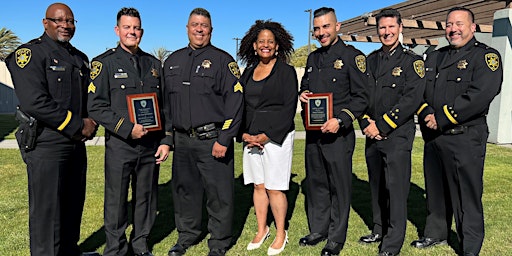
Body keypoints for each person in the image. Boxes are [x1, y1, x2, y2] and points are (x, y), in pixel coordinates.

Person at [5, 3, 97, 255]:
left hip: (75, 144)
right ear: (45, 23)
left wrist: (93, 121)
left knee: (72, 203)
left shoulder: (79, 58)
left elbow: (87, 99)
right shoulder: (30, 55)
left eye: (70, 21)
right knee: (47, 211)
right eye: (59, 20)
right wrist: (79, 125)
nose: (65, 25)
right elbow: (35, 102)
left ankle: (69, 250)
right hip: (47, 143)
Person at [414, 7, 502, 256]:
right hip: (435, 138)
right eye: (449, 24)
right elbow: (420, 91)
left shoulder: (486, 57)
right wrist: (426, 114)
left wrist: (440, 117)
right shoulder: (434, 57)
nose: (453, 29)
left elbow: (480, 95)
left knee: (466, 195)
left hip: (465, 137)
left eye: (460, 24)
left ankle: (470, 246)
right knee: (436, 190)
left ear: (473, 27)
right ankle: (435, 233)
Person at [87, 7, 171, 256]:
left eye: (136, 28)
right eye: (127, 27)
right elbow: (95, 106)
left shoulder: (154, 64)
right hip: (121, 145)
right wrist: (127, 128)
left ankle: (140, 244)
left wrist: (166, 139)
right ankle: (115, 248)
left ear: (141, 32)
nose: (132, 32)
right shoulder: (103, 63)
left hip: (150, 145)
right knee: (116, 199)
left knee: (146, 198)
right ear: (117, 30)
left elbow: (164, 105)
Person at [163, 8, 243, 256]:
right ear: (187, 28)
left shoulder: (223, 61)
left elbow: (236, 103)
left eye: (204, 25)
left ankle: (219, 242)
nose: (199, 29)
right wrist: (168, 138)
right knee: (185, 192)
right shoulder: (172, 61)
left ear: (211, 30)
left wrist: (225, 138)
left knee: (219, 195)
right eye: (195, 24)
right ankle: (187, 235)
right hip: (183, 141)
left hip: (213, 141)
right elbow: (165, 105)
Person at [298, 7, 368, 256]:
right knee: (317, 183)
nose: (321, 32)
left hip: (338, 134)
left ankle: (336, 237)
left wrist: (341, 119)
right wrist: (302, 95)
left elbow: (362, 97)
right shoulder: (313, 59)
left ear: (337, 26)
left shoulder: (352, 56)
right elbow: (305, 86)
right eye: (317, 28)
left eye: (326, 27)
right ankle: (319, 229)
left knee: (339, 186)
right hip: (314, 134)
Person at [357, 8, 425, 256]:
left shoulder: (412, 61)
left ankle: (393, 241)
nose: (386, 32)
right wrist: (366, 123)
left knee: (396, 189)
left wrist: (382, 125)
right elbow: (362, 96)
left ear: (400, 28)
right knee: (376, 185)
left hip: (397, 135)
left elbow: (411, 99)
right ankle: (378, 228)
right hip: (372, 134)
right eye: (382, 28)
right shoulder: (371, 60)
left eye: (391, 27)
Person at [237, 20, 297, 256]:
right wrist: (243, 133)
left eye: (270, 42)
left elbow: (289, 107)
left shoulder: (286, 71)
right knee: (258, 186)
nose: (265, 45)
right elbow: (239, 105)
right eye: (261, 41)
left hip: (276, 137)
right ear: (254, 45)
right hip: (251, 136)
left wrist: (267, 135)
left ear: (277, 46)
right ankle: (262, 230)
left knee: (275, 187)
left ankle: (281, 233)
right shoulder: (248, 72)